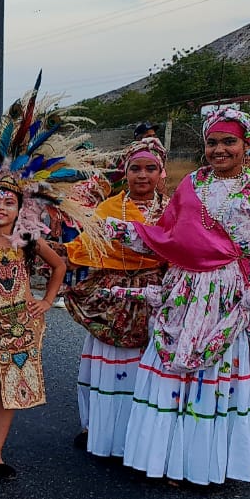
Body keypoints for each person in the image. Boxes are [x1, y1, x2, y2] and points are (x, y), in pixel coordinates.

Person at [107, 108, 250, 485]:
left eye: (229, 142)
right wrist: (109, 230)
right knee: (176, 369)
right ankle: (170, 459)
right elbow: (167, 237)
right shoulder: (192, 185)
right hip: (185, 290)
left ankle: (205, 462)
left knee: (216, 372)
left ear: (247, 145)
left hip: (231, 293)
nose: (219, 150)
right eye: (212, 143)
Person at [0, 83, 95, 482]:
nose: (1, 207)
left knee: (10, 394)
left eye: (9, 202)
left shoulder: (29, 240)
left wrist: (46, 301)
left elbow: (58, 266)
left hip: (25, 328)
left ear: (19, 208)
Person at [64, 138, 167, 457]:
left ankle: (143, 436)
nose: (142, 175)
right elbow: (84, 246)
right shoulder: (109, 208)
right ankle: (98, 428)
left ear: (162, 172)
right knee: (108, 367)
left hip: (155, 295)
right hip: (112, 295)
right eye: (135, 168)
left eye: (150, 168)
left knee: (148, 366)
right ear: (124, 172)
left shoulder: (174, 209)